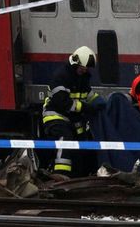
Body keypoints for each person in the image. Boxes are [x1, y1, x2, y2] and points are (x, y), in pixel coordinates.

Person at [41, 46, 101, 177]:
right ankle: (60, 174)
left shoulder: (83, 78)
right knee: (66, 138)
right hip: (55, 116)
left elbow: (90, 95)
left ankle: (79, 175)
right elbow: (63, 103)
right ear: (75, 63)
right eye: (82, 68)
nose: (84, 70)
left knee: (82, 142)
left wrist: (101, 103)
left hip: (73, 118)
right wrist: (86, 108)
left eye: (86, 69)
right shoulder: (61, 77)